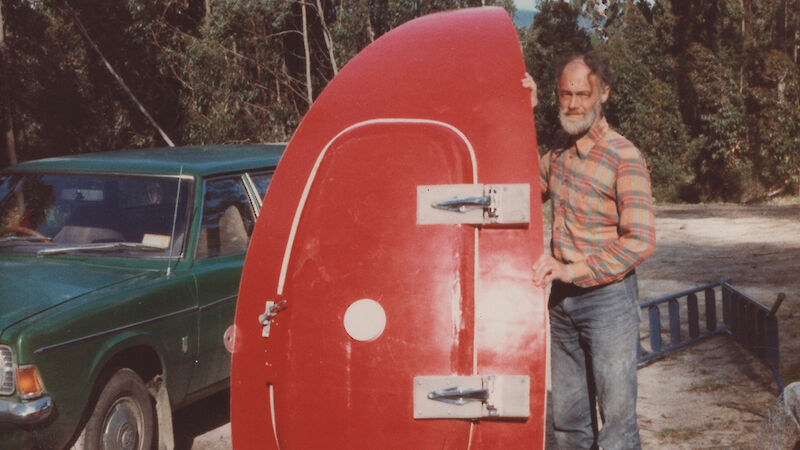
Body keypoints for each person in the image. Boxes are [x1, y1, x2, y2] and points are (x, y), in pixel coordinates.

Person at [523, 52, 656, 449]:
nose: (575, 103)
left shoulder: (624, 156)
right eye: (566, 94)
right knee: (568, 423)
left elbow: (641, 240)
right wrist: (520, 115)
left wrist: (571, 271)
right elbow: (526, 188)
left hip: (608, 302)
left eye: (584, 93)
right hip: (562, 303)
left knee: (617, 426)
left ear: (605, 94)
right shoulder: (560, 152)